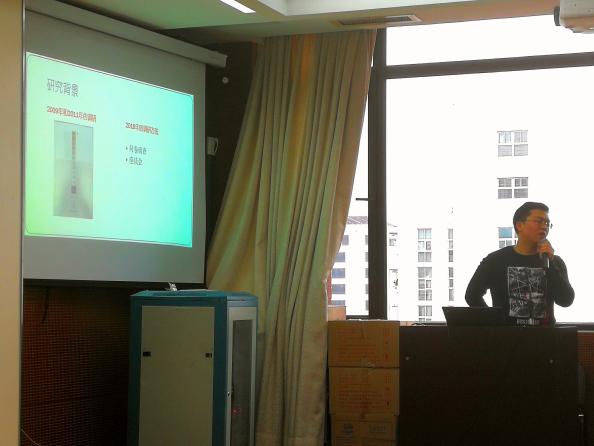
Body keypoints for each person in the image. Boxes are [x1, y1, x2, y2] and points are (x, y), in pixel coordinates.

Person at [465, 201, 574, 326]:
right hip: (506, 336)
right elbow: (472, 295)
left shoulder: (554, 262)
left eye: (547, 223)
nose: (544, 227)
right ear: (519, 225)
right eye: (539, 221)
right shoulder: (495, 260)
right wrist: (493, 321)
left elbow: (566, 301)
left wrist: (551, 265)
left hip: (545, 336)